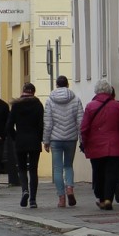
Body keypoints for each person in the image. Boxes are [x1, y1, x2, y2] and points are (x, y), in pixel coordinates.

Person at [80, 78, 119, 210]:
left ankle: (101, 197)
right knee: (112, 173)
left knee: (98, 172)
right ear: (109, 91)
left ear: (96, 91)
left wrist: (85, 144)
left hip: (95, 146)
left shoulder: (91, 106)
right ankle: (108, 198)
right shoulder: (118, 106)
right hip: (115, 145)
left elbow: (84, 128)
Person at [42, 75, 84, 208]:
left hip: (56, 139)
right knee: (69, 166)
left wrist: (46, 140)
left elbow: (48, 123)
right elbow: (80, 121)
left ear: (56, 85)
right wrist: (82, 139)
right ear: (68, 85)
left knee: (57, 169)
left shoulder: (50, 100)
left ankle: (61, 198)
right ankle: (70, 188)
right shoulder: (76, 100)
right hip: (71, 138)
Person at [5, 82, 45, 208]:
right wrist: (40, 138)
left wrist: (15, 137)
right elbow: (41, 125)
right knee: (33, 170)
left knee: (22, 168)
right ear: (34, 92)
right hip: (34, 140)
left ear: (23, 91)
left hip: (20, 140)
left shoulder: (16, 106)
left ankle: (24, 190)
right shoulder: (38, 105)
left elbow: (9, 125)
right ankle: (33, 200)